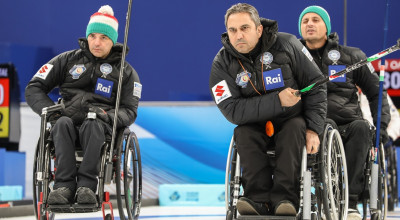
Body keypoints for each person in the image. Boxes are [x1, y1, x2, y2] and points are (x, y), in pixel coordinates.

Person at [209, 3, 327, 216]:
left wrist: (314, 129)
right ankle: (257, 200)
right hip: (254, 124)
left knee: (295, 129)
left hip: (291, 120)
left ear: (259, 29)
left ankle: (285, 199)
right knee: (242, 132)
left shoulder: (288, 44)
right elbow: (231, 110)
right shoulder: (221, 62)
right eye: (232, 30)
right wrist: (278, 100)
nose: (238, 35)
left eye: (244, 28)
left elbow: (317, 84)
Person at [25, 5, 141, 205]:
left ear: (112, 40)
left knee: (93, 124)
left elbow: (129, 110)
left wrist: (108, 116)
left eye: (103, 37)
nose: (96, 42)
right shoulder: (66, 60)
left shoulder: (127, 73)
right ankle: (63, 187)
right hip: (67, 121)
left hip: (101, 126)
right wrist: (52, 113)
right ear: (86, 36)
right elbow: (34, 87)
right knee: (61, 124)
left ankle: (87, 187)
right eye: (93, 36)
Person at [298, 5, 390, 219]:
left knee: (361, 128)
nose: (310, 24)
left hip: (348, 126)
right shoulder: (293, 57)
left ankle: (350, 204)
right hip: (311, 126)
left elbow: (376, 93)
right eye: (305, 21)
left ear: (327, 27)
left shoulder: (351, 56)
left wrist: (382, 126)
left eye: (315, 20)